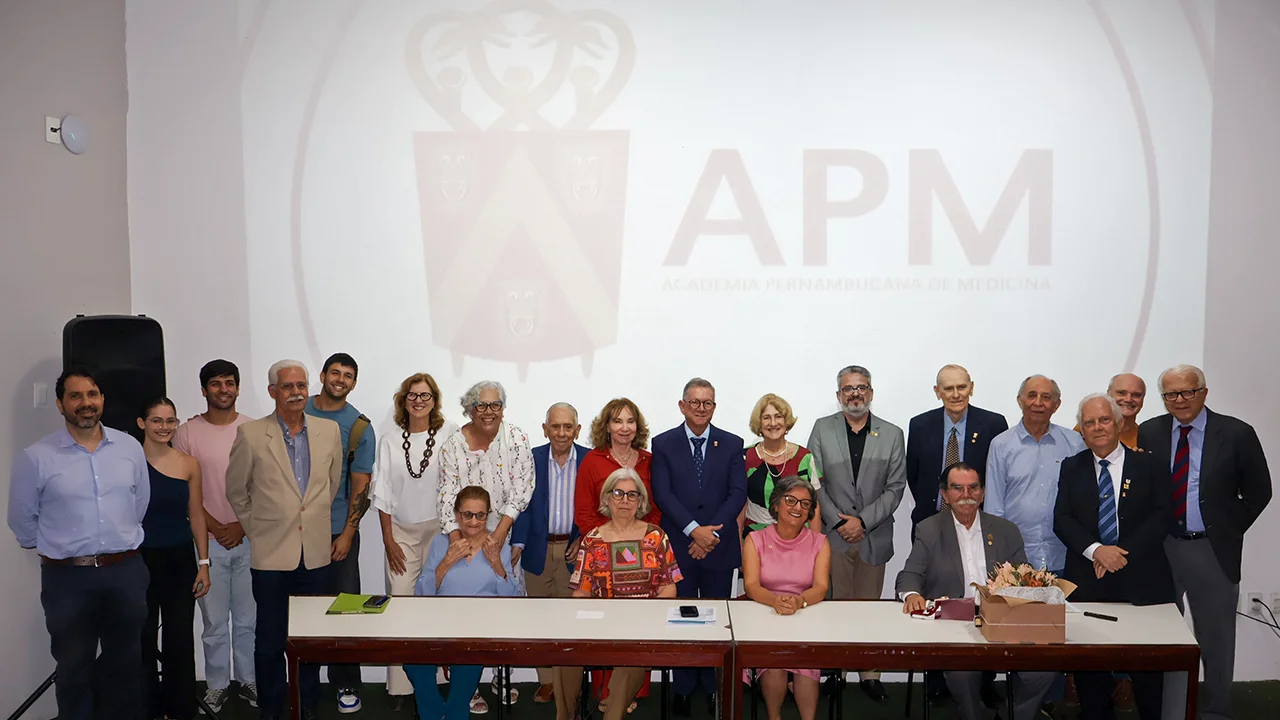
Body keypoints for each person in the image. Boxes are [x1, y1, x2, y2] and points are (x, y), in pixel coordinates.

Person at [7, 368, 151, 720]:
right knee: (74, 668)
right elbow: (21, 520)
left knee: (127, 663)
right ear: (60, 404)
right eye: (76, 396)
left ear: (102, 399)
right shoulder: (36, 457)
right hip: (68, 579)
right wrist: (57, 549)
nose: (86, 403)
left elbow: (139, 503)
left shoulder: (130, 447)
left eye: (92, 394)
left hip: (126, 573)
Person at [1138, 364, 1272, 720]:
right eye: (1171, 394)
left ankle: (1215, 711)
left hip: (1210, 549)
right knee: (1163, 636)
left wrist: (1225, 528)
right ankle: (1169, 709)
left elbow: (1260, 491)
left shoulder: (1237, 433)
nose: (1180, 400)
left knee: (1216, 638)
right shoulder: (1150, 432)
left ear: (1204, 392)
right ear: (1162, 397)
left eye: (1188, 392)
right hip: (1162, 547)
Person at [226, 359, 343, 720]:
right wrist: (258, 526)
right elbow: (236, 491)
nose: (296, 393)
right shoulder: (251, 434)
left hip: (317, 557)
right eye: (288, 386)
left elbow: (332, 483)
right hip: (271, 556)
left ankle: (307, 704)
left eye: (301, 386)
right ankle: (272, 707)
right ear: (272, 391)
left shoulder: (329, 431)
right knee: (269, 641)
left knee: (310, 638)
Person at [896, 463, 1055, 720]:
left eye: (973, 487)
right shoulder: (929, 529)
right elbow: (910, 574)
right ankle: (975, 716)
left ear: (982, 492)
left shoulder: (1006, 530)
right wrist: (912, 594)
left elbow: (1025, 578)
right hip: (954, 621)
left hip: (1004, 619)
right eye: (957, 488)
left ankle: (1009, 715)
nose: (966, 494)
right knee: (961, 674)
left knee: (1042, 671)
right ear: (945, 495)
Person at [1055, 393, 1173, 720]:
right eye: (1090, 422)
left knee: (1148, 670)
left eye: (1104, 420)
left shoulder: (1150, 464)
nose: (1098, 427)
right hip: (1089, 579)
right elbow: (1062, 519)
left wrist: (1121, 555)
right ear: (1082, 430)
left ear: (1119, 423)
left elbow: (1163, 515)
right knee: (1090, 669)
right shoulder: (1071, 467)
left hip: (1143, 578)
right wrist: (1097, 551)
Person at [808, 365, 906, 702]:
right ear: (838, 396)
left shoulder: (892, 434)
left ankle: (869, 673)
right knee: (835, 605)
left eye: (862, 387)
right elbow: (814, 481)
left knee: (868, 607)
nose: (855, 394)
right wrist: (839, 521)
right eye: (848, 389)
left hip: (873, 536)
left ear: (871, 393)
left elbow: (895, 488)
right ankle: (836, 671)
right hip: (834, 537)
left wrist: (862, 522)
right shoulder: (822, 430)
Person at [650, 378, 746, 716]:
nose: (701, 408)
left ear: (714, 407)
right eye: (694, 402)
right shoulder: (663, 443)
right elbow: (663, 493)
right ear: (682, 406)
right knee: (682, 619)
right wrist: (694, 532)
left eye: (707, 403)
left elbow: (737, 493)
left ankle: (712, 684)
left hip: (718, 548)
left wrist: (710, 536)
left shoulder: (733, 444)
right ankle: (684, 687)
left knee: (717, 619)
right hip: (679, 547)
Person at [437, 380, 534, 708]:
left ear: (503, 408)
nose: (488, 412)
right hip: (463, 535)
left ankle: (501, 676)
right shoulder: (453, 445)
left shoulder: (518, 438)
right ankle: (468, 685)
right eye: (481, 405)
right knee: (464, 615)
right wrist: (457, 546)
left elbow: (523, 489)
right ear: (469, 408)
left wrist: (499, 537)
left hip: (501, 537)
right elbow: (446, 493)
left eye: (495, 405)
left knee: (505, 610)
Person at [560, 469, 683, 720]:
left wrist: (648, 618)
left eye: (631, 494)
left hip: (643, 625)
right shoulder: (592, 540)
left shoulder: (656, 537)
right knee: (564, 655)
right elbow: (582, 592)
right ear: (606, 499)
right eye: (618, 493)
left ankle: (612, 714)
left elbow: (669, 587)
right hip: (602, 623)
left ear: (641, 501)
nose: (624, 500)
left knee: (631, 654)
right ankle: (567, 715)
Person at [172, 358, 257, 713]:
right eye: (216, 383)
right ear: (204, 389)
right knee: (213, 621)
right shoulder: (186, 433)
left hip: (250, 538)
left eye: (230, 382)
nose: (224, 389)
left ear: (237, 387)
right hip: (206, 543)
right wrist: (213, 526)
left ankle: (250, 680)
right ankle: (218, 683)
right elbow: (182, 488)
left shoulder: (254, 429)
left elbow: (263, 486)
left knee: (250, 619)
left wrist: (241, 525)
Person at [371, 372, 457, 710]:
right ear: (403, 400)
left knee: (437, 605)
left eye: (425, 396)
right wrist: (388, 540)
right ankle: (400, 688)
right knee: (402, 604)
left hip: (440, 532)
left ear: (434, 400)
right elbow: (383, 494)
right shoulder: (390, 439)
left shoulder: (450, 433)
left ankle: (437, 682)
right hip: (402, 533)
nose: (418, 401)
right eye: (412, 395)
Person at [404, 486, 519, 720]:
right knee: (415, 661)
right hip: (441, 620)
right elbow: (422, 593)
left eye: (480, 515)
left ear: (488, 515)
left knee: (468, 658)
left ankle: (455, 712)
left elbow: (513, 599)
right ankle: (434, 712)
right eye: (467, 514)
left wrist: (497, 564)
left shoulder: (498, 546)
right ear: (457, 515)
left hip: (480, 625)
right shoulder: (441, 543)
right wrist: (447, 560)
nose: (474, 521)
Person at [304, 351, 376, 714]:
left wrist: (348, 534)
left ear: (354, 383)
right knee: (302, 609)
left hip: (337, 532)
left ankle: (346, 683)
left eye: (348, 375)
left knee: (346, 609)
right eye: (335, 372)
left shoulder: (359, 426)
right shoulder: (296, 412)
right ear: (322, 374)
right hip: (295, 532)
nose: (340, 379)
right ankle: (303, 682)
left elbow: (361, 485)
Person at [137, 397, 211, 720]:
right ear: (142, 423)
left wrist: (204, 564)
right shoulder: (128, 462)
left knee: (180, 637)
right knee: (142, 637)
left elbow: (195, 514)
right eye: (156, 420)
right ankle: (148, 709)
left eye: (170, 421)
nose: (164, 427)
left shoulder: (188, 463)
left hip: (181, 560)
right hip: (138, 560)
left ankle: (181, 711)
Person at [511, 402, 589, 705]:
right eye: (555, 426)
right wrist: (517, 544)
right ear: (545, 429)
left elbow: (596, 508)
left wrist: (582, 539)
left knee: (571, 621)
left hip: (573, 551)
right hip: (538, 549)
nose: (561, 432)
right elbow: (523, 506)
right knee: (539, 619)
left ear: (577, 430)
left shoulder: (588, 460)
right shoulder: (532, 459)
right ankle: (546, 681)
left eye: (567, 426)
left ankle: (569, 683)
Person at [740, 476, 830, 720]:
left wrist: (798, 602)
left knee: (805, 664)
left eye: (804, 503)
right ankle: (773, 716)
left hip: (805, 613)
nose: (797, 508)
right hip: (765, 612)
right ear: (776, 504)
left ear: (810, 511)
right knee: (774, 661)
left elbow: (821, 587)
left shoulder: (819, 542)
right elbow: (751, 586)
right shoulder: (755, 539)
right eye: (790, 500)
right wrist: (776, 602)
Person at [984, 375, 1084, 576]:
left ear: (1056, 405)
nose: (1038, 403)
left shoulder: (1074, 443)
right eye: (1032, 396)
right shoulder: (1001, 445)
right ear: (1020, 401)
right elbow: (994, 507)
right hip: (1016, 558)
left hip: (1064, 555)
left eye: (1046, 397)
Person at [906, 364, 1008, 539]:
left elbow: (998, 476)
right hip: (931, 523)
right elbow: (913, 475)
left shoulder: (993, 425)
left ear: (971, 388)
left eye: (961, 387)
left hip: (979, 525)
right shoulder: (920, 425)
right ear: (938, 392)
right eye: (948, 389)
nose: (956, 395)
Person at [575, 398, 661, 539]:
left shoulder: (649, 461)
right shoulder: (591, 461)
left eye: (630, 421)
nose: (625, 428)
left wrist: (643, 534)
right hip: (601, 545)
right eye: (617, 421)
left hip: (644, 543)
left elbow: (657, 507)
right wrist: (608, 538)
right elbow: (583, 512)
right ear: (607, 426)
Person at [742, 394, 821, 534]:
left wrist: (816, 544)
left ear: (786, 422)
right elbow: (740, 505)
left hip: (798, 536)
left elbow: (814, 505)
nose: (773, 423)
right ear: (759, 423)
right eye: (766, 418)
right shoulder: (746, 457)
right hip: (756, 536)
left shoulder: (805, 457)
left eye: (778, 416)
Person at [1072, 373, 1146, 450]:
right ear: (1108, 394)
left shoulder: (1145, 437)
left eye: (1136, 395)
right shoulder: (1084, 429)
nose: (1128, 399)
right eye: (1121, 393)